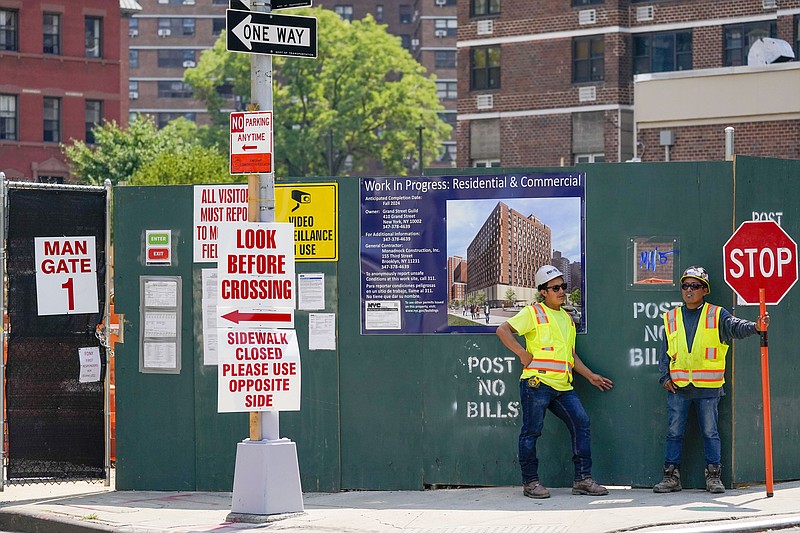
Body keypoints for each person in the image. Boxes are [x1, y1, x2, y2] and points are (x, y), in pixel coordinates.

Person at [496, 265, 613, 499]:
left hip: (562, 386)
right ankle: (530, 483)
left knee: (581, 423)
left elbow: (570, 355)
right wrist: (521, 352)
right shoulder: (533, 313)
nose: (561, 291)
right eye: (555, 287)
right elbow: (503, 330)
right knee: (531, 432)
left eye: (563, 286)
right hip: (536, 383)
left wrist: (590, 376)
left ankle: (582, 479)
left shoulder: (567, 319)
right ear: (543, 291)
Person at [653, 266, 770, 494]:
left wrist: (756, 327)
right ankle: (670, 477)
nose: (689, 290)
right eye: (685, 285)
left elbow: (736, 328)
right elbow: (665, 349)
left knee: (710, 433)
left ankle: (714, 477)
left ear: (704, 290)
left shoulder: (717, 314)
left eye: (694, 286)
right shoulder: (671, 317)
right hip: (679, 387)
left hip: (708, 388)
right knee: (674, 433)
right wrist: (664, 376)